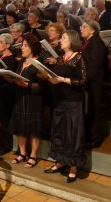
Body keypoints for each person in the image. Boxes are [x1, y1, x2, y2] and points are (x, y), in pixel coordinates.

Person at [41, 30, 86, 183]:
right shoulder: (60, 59)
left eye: (64, 38)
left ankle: (73, 166)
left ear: (72, 41)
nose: (61, 40)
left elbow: (83, 81)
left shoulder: (79, 57)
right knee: (59, 131)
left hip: (73, 101)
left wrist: (63, 79)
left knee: (73, 133)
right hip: (59, 100)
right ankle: (60, 161)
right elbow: (54, 77)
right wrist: (46, 75)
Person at [9, 33, 44, 168]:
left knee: (34, 129)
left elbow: (42, 86)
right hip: (20, 97)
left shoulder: (39, 62)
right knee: (20, 126)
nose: (22, 48)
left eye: (25, 46)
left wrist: (27, 85)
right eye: (22, 45)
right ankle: (22, 153)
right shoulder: (21, 62)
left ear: (32, 48)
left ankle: (33, 155)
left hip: (33, 99)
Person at [80, 20, 107, 148]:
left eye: (84, 26)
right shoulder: (88, 42)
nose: (81, 28)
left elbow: (94, 63)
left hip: (94, 81)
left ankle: (95, 139)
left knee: (93, 109)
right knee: (88, 109)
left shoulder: (96, 42)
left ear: (92, 30)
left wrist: (86, 78)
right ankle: (89, 136)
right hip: (88, 80)